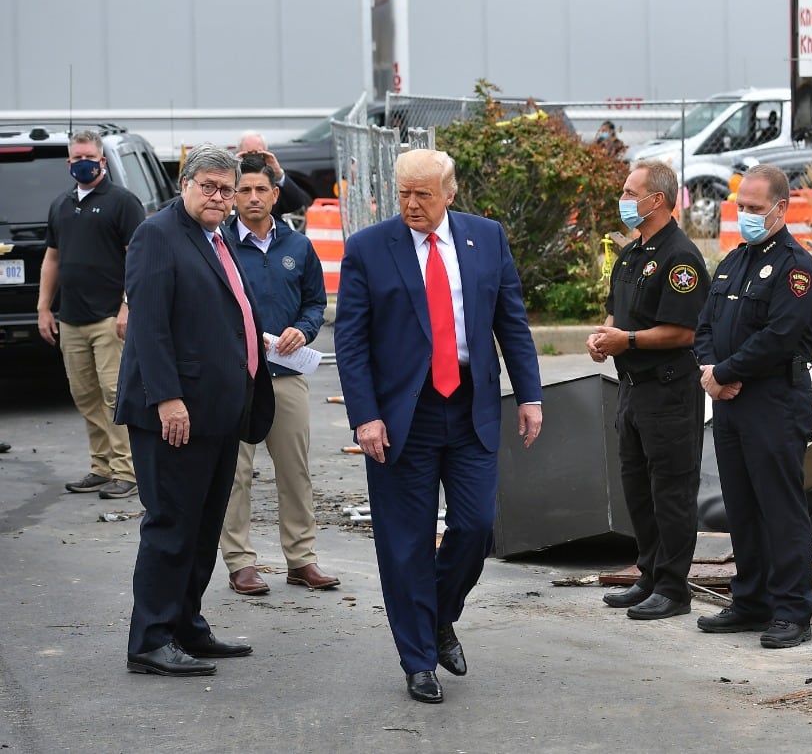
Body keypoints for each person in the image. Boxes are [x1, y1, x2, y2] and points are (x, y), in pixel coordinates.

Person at [333, 148, 544, 705]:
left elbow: (511, 322)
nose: (411, 204)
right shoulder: (368, 249)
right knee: (404, 544)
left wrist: (529, 395)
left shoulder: (486, 238)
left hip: (471, 405)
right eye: (403, 192)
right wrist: (366, 416)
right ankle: (418, 660)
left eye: (423, 194)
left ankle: (438, 618)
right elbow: (350, 343)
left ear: (449, 194)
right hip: (404, 414)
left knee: (475, 527)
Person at [116, 144, 275, 676]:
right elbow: (149, 324)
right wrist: (166, 398)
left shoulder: (215, 235)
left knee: (204, 528)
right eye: (208, 185)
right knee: (172, 526)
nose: (219, 196)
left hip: (218, 413)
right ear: (184, 184)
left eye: (227, 189)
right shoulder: (157, 234)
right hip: (174, 415)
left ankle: (187, 626)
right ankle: (151, 641)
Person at [693, 163, 812, 649]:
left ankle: (791, 611)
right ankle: (751, 601)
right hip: (729, 403)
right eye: (740, 207)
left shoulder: (795, 267)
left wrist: (724, 373)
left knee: (780, 510)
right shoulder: (733, 261)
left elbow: (780, 336)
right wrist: (709, 371)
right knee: (741, 507)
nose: (745, 215)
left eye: (754, 208)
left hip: (773, 401)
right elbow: (705, 325)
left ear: (781, 209)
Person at [588, 160, 708, 620]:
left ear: (655, 200)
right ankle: (651, 574)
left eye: (629, 192)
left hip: (669, 392)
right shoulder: (632, 252)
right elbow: (617, 313)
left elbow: (684, 332)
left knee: (671, 491)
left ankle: (674, 589)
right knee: (637, 487)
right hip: (632, 390)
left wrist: (629, 341)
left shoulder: (681, 258)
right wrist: (604, 337)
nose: (623, 200)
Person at [219, 153, 338, 597]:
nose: (252, 197)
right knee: (236, 473)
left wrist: (302, 330)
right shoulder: (220, 245)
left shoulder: (298, 247)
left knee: (295, 471)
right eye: (243, 190)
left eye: (260, 189)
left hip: (287, 375)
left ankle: (301, 559)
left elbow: (314, 303)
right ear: (234, 198)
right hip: (236, 378)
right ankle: (240, 562)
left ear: (275, 194)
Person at [39, 129, 144, 500]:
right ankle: (101, 466)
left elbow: (137, 257)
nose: (83, 162)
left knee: (115, 394)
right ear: (68, 163)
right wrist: (43, 309)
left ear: (102, 160)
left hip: (108, 319)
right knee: (85, 395)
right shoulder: (61, 205)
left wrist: (127, 305)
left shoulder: (122, 202)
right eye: (76, 157)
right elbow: (52, 258)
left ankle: (127, 471)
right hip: (71, 318)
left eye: (89, 156)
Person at [235, 131, 310, 218]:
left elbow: (297, 203)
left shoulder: (270, 182)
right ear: (239, 154)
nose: (254, 198)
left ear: (266, 153)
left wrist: (279, 175)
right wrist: (232, 170)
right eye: (248, 154)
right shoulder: (231, 180)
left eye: (258, 154)